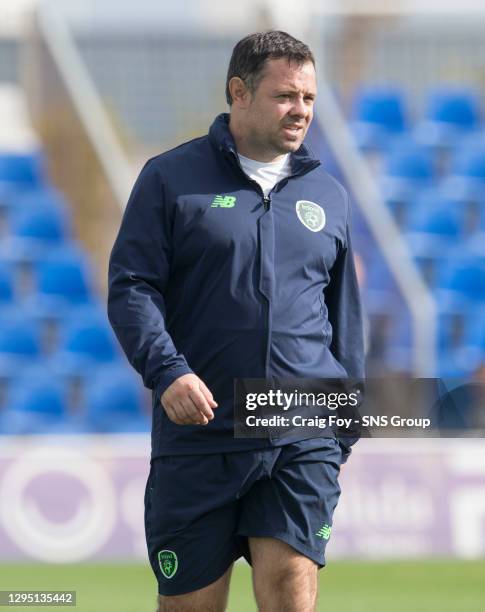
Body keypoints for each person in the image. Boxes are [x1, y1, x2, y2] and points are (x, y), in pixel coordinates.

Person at [108, 30, 364, 612]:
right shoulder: (170, 179)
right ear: (238, 92)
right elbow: (131, 288)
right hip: (201, 431)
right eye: (284, 95)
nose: (300, 110)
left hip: (302, 427)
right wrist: (167, 372)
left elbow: (345, 320)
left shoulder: (329, 195)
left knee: (291, 585)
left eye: (308, 98)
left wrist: (341, 427)